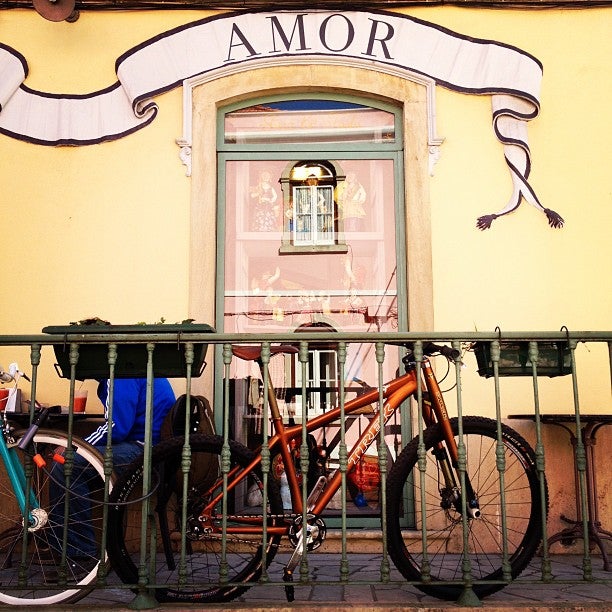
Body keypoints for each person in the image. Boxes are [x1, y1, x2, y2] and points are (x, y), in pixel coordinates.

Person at [49, 377, 176, 562]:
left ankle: (78, 554)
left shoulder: (122, 374)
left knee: (66, 464)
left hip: (144, 449)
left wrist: (77, 446)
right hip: (155, 449)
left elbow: (116, 428)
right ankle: (66, 543)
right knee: (73, 465)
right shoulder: (135, 367)